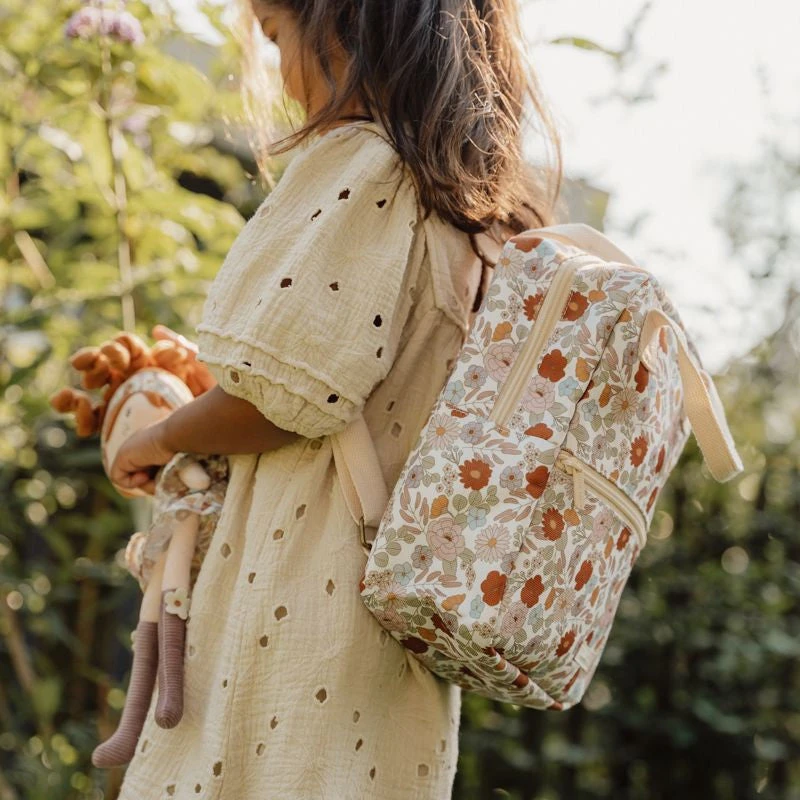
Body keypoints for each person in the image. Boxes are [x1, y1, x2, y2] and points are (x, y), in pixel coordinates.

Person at [109, 0, 563, 796]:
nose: (279, 72)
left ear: (345, 25)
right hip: (388, 638)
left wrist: (156, 437)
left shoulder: (364, 166)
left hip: (290, 611)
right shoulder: (478, 219)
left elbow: (281, 402)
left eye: (276, 37)